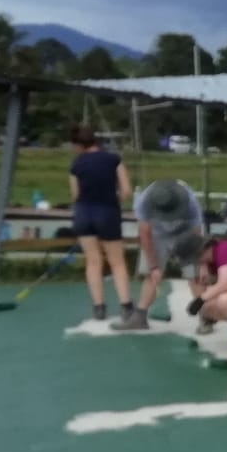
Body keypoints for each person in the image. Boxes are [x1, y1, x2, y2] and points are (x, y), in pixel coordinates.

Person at [111, 178, 205, 331]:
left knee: (193, 275)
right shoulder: (143, 202)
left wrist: (197, 260)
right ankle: (140, 318)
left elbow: (197, 233)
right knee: (151, 275)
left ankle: (206, 317)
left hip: (186, 232)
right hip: (157, 234)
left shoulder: (190, 201)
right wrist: (154, 266)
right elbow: (145, 234)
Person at [68, 124, 134, 322]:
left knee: (93, 260)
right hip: (107, 212)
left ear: (78, 144)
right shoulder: (114, 160)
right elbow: (127, 191)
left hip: (84, 213)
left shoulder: (76, 165)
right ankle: (125, 305)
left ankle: (98, 307)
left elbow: (75, 194)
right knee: (117, 261)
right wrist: (115, 199)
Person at [186, 236, 227, 335]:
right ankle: (207, 319)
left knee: (224, 300)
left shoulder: (223, 250)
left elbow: (226, 284)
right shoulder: (209, 259)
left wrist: (200, 300)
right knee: (207, 307)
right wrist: (203, 266)